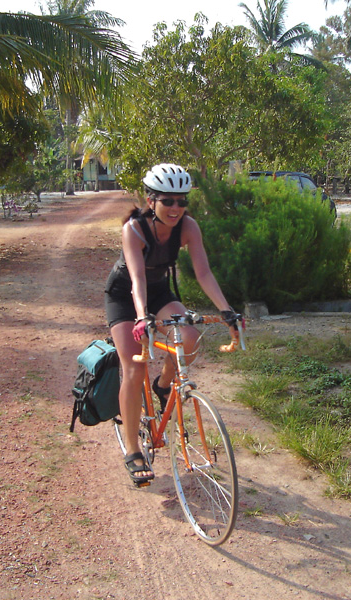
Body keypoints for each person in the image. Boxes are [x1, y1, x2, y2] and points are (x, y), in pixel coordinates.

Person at [104, 163, 236, 486]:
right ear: (151, 200)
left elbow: (204, 274)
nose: (176, 208)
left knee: (189, 336)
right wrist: (141, 317)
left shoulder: (188, 227)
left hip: (160, 292)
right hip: (125, 296)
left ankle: (163, 386)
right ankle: (133, 450)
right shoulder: (133, 230)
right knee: (134, 369)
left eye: (182, 201)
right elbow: (136, 281)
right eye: (168, 201)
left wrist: (227, 310)